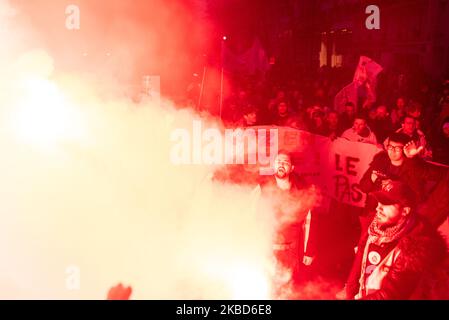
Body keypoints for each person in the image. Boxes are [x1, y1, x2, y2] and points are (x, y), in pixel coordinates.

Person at [344, 181, 448, 300]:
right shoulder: (373, 228)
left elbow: (391, 294)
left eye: (386, 203)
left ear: (405, 211)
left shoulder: (414, 247)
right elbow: (358, 265)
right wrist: (350, 292)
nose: (378, 208)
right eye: (379, 202)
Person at [257, 151, 319, 297]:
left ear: (291, 168)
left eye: (285, 162)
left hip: (291, 250)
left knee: (288, 287)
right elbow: (250, 215)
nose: (281, 164)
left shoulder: (302, 189)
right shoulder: (261, 187)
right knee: (266, 284)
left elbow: (311, 221)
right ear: (273, 165)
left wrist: (309, 250)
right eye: (278, 161)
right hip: (266, 248)